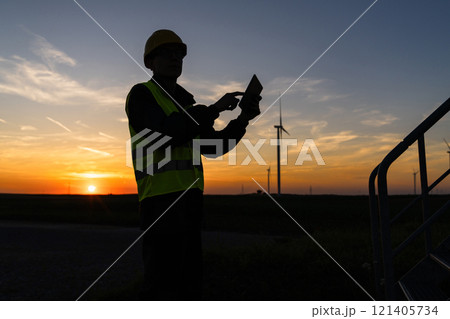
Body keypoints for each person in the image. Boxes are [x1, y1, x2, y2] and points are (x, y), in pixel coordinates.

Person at [125, 29, 261, 300]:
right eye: (166, 53)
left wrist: (244, 118)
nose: (175, 58)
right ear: (150, 62)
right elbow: (170, 130)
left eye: (179, 54)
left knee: (189, 285)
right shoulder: (142, 95)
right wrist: (215, 108)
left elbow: (213, 147)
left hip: (190, 204)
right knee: (160, 287)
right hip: (159, 204)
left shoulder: (187, 106)